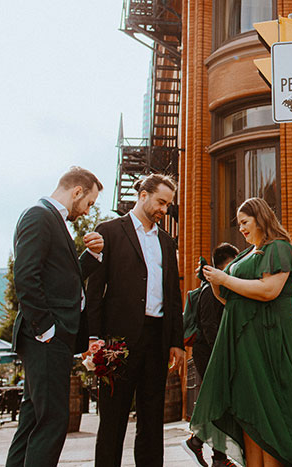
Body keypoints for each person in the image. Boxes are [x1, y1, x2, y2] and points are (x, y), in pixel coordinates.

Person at [191, 197, 292, 467]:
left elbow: (268, 290)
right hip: (243, 344)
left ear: (260, 218)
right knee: (249, 414)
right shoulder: (245, 254)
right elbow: (229, 298)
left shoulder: (279, 248)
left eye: (245, 222)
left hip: (268, 340)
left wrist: (224, 278)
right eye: (238, 224)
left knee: (273, 413)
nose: (241, 228)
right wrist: (214, 280)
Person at [82, 174, 184, 467]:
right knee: (113, 419)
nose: (164, 209)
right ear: (143, 195)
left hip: (157, 340)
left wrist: (176, 341)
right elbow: (95, 291)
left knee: (152, 420)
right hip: (116, 342)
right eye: (161, 202)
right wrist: (93, 337)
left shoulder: (166, 241)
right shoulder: (110, 231)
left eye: (168, 204)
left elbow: (173, 295)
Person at [6, 167, 104, 467]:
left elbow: (60, 278)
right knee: (53, 421)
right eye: (88, 202)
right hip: (46, 336)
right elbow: (26, 276)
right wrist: (46, 329)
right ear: (77, 192)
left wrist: (93, 257)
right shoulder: (39, 215)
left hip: (49, 336)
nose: (86, 210)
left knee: (34, 419)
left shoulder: (51, 219)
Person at [183, 242, 240, 467]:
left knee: (220, 403)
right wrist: (225, 354)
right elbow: (209, 328)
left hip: (216, 352)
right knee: (218, 402)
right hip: (210, 354)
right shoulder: (209, 290)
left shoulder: (224, 288)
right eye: (232, 264)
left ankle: (211, 452)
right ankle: (204, 447)